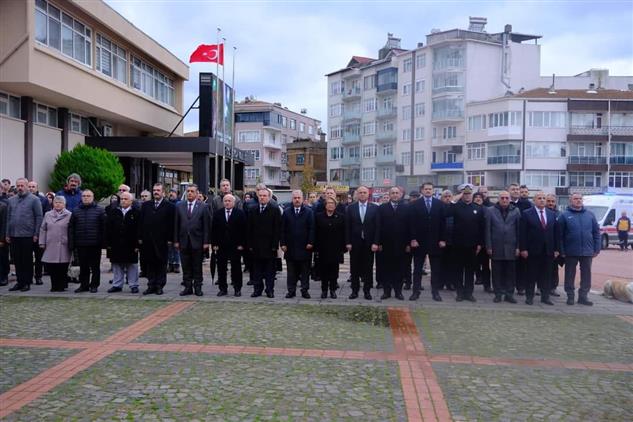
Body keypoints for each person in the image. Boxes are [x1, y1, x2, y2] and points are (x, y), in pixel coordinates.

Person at [558, 193, 601, 306]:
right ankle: (570, 296)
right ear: (570, 201)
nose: (578, 200)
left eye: (580, 199)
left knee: (586, 274)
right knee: (570, 274)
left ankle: (583, 296)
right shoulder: (564, 215)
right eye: (575, 199)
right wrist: (562, 250)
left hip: (587, 251)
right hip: (570, 251)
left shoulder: (590, 215)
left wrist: (597, 248)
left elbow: (596, 232)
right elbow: (560, 236)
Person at [446, 184, 485, 302]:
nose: (467, 196)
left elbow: (481, 227)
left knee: (470, 270)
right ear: (462, 194)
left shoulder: (478, 208)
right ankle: (460, 293)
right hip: (458, 244)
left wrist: (480, 243)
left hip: (472, 245)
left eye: (469, 194)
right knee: (458, 270)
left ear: (472, 194)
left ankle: (469, 293)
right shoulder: (456, 206)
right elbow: (446, 213)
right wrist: (455, 198)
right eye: (465, 193)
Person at [519, 192, 559, 305]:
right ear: (534, 200)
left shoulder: (551, 214)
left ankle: (545, 297)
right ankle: (529, 297)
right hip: (532, 250)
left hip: (548, 250)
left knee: (546, 275)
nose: (542, 200)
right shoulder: (527, 214)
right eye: (539, 198)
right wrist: (523, 249)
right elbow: (522, 233)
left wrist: (556, 249)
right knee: (531, 275)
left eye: (544, 198)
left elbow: (556, 233)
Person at [408, 183, 445, 302]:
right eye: (426, 189)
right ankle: (415, 292)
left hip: (435, 242)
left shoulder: (439, 204)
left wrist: (442, 239)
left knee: (436, 269)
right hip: (419, 242)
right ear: (422, 190)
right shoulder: (415, 204)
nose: (428, 191)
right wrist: (413, 239)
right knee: (418, 269)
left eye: (430, 189)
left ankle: (435, 292)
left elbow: (442, 223)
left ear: (433, 191)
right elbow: (411, 224)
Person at [6, 178, 43, 292]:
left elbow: (39, 217)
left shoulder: (35, 200)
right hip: (14, 234)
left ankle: (27, 282)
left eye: (22, 185)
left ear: (27, 186)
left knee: (26, 260)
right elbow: (8, 218)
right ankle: (19, 281)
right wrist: (7, 233)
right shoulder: (11, 200)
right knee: (17, 260)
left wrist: (36, 233)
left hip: (28, 235)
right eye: (18, 185)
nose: (20, 188)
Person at [139, 183, 175, 295]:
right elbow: (141, 222)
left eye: (158, 190)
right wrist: (140, 237)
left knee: (161, 263)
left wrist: (170, 239)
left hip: (162, 240)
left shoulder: (169, 206)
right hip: (148, 240)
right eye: (154, 190)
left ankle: (159, 285)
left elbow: (172, 224)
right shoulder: (146, 205)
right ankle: (151, 285)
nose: (156, 192)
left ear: (163, 192)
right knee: (150, 263)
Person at [174, 184, 211, 297]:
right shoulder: (179, 206)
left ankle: (198, 287)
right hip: (183, 241)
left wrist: (206, 242)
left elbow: (206, 226)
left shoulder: (203, 207)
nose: (189, 193)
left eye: (192, 191)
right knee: (185, 266)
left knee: (197, 266)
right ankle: (187, 287)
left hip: (198, 242)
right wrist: (176, 240)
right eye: (188, 191)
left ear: (197, 193)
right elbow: (176, 224)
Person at [485, 191, 521, 304]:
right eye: (502, 198)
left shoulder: (516, 210)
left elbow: (519, 231)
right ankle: (498, 294)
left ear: (510, 199)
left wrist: (518, 247)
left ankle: (509, 294)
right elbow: (487, 230)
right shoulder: (490, 210)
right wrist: (489, 246)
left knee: (510, 273)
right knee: (496, 273)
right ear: (498, 199)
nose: (504, 200)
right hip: (496, 247)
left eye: (506, 198)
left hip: (511, 247)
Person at [345, 185, 379, 300]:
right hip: (355, 243)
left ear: (368, 194)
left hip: (369, 243)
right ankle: (354, 291)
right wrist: (348, 242)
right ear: (357, 194)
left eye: (364, 192)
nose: (362, 194)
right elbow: (347, 227)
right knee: (354, 268)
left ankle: (367, 291)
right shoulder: (350, 208)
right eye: (360, 192)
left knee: (368, 268)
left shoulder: (375, 208)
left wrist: (376, 243)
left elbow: (378, 227)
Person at [68, 189, 106, 293]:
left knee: (95, 267)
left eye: (88, 196)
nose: (86, 197)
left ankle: (94, 285)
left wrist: (103, 242)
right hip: (81, 243)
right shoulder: (76, 210)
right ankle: (84, 285)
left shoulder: (100, 210)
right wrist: (72, 243)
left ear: (93, 197)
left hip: (95, 244)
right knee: (83, 266)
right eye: (84, 196)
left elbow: (104, 227)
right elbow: (71, 227)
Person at [247, 187, 281, 298]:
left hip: (269, 246)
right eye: (260, 195)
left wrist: (275, 245)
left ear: (269, 197)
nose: (262, 197)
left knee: (270, 271)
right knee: (256, 270)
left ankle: (269, 290)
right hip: (256, 246)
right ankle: (257, 290)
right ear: (257, 196)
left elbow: (277, 229)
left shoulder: (274, 209)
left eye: (264, 196)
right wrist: (250, 244)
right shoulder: (252, 209)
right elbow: (249, 229)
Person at [280, 190, 315, 299]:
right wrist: (283, 243)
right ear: (292, 199)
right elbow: (282, 229)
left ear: (302, 199)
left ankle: (305, 290)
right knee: (291, 272)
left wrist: (310, 242)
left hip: (305, 247)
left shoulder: (309, 212)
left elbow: (312, 229)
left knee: (305, 271)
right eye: (295, 198)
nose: (297, 200)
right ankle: (291, 291)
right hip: (290, 247)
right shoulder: (286, 212)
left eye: (299, 198)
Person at [376, 186, 408, 300]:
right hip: (385, 245)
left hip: (401, 245)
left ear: (400, 194)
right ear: (389, 195)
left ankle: (398, 291)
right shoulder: (382, 208)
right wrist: (378, 242)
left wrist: (408, 244)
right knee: (386, 269)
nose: (395, 195)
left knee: (399, 269)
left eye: (397, 193)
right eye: (392, 193)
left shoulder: (406, 208)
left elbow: (410, 227)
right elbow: (378, 226)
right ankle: (386, 291)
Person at [105, 192, 140, 294]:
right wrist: (108, 243)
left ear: (131, 201)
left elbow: (139, 229)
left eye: (126, 199)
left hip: (131, 244)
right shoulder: (114, 212)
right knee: (117, 264)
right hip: (116, 243)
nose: (123, 201)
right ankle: (117, 284)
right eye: (122, 199)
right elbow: (108, 228)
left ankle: (133, 285)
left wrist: (138, 244)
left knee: (132, 265)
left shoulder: (136, 213)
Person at [212, 194, 246, 297]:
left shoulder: (240, 214)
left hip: (235, 245)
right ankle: (223, 288)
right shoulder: (218, 214)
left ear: (233, 202)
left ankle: (237, 288)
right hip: (221, 245)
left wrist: (242, 244)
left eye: (229, 201)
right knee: (221, 268)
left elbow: (244, 230)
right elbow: (213, 230)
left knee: (236, 268)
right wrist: (214, 244)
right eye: (225, 201)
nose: (227, 202)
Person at [314, 196, 346, 299]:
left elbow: (344, 233)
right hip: (322, 249)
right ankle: (324, 290)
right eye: (328, 203)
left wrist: (343, 248)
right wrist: (316, 248)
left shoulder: (340, 217)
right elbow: (315, 233)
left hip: (335, 249)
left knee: (334, 271)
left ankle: (332, 290)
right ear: (325, 205)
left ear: (335, 205)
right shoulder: (319, 217)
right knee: (323, 272)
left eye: (332, 203)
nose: (330, 205)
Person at [39, 196, 72, 292]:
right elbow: (43, 229)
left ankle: (61, 285)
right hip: (50, 244)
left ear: (64, 204)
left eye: (60, 202)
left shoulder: (69, 215)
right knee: (52, 267)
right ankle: (54, 285)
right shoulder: (47, 214)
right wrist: (42, 242)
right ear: (53, 204)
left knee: (62, 267)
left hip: (64, 245)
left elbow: (71, 230)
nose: (58, 204)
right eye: (56, 202)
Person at [28, 180, 51, 285]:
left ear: (37, 188)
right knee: (27, 257)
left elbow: (47, 216)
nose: (31, 188)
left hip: (39, 232)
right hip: (27, 232)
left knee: (39, 257)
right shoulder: (25, 199)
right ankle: (28, 277)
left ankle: (38, 277)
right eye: (30, 186)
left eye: (33, 186)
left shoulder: (44, 200)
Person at [473, 192, 492, 293]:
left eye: (480, 197)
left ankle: (487, 285)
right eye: (476, 197)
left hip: (484, 242)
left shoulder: (487, 210)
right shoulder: (470, 208)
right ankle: (477, 278)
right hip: (473, 242)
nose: (478, 199)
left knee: (485, 265)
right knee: (474, 264)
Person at [545, 193, 562, 296]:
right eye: (549, 201)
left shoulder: (559, 214)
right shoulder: (541, 212)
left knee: (554, 268)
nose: (551, 203)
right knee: (541, 268)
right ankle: (540, 287)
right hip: (542, 245)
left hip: (554, 245)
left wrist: (558, 248)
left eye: (552, 201)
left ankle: (553, 287)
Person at [167, 189, 181, 274]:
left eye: (173, 192)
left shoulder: (179, 204)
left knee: (176, 248)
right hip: (169, 228)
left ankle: (176, 265)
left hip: (176, 228)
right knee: (169, 248)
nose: (171, 194)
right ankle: (170, 264)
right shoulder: (167, 203)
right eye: (170, 192)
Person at [0, 199, 8, 286]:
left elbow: (4, 224)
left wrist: (2, 239)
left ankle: (3, 277)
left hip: (1, 238)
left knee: (2, 259)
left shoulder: (3, 206)